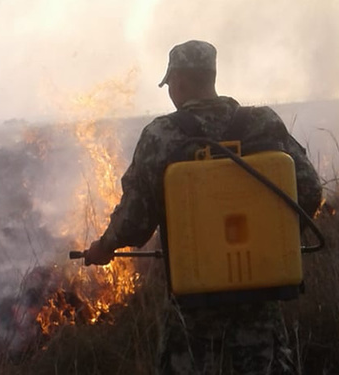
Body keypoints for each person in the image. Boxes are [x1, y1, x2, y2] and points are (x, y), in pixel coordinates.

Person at [83, 40, 322, 374]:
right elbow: (310, 189)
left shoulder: (161, 135)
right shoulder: (263, 123)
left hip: (193, 314)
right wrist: (273, 238)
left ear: (178, 81)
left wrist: (104, 247)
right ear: (212, 76)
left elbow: (136, 221)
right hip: (260, 304)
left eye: (170, 85)